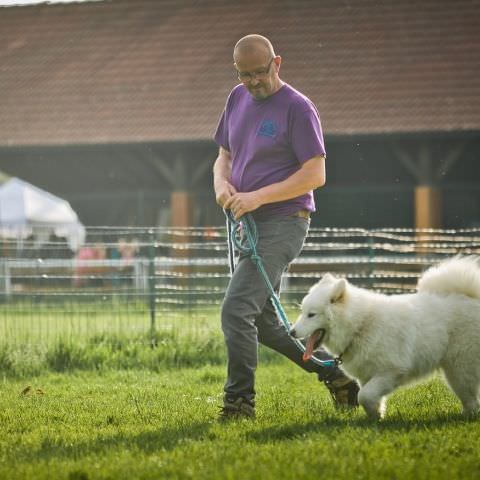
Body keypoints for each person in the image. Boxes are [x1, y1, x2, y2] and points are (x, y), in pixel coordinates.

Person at [213, 34, 359, 420]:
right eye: (245, 75)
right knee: (262, 321)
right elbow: (223, 155)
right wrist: (222, 186)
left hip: (284, 222)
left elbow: (316, 173)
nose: (253, 82)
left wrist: (258, 197)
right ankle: (339, 375)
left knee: (236, 310)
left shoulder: (298, 108)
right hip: (247, 222)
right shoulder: (236, 98)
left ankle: (239, 403)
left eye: (260, 72)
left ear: (277, 63)